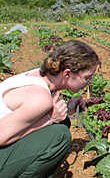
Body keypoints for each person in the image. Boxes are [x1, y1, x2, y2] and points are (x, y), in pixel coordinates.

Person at [0, 40, 100, 178]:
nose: (90, 82)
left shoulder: (38, 76)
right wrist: (50, 119)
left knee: (62, 122)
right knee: (59, 136)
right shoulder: (40, 98)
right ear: (67, 74)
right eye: (87, 78)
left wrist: (68, 109)